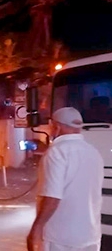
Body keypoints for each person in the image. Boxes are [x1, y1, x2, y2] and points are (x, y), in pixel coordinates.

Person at [27, 107, 104, 251]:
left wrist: (36, 229)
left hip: (61, 238)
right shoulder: (94, 152)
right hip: (90, 236)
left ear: (56, 126)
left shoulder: (57, 152)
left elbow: (52, 197)